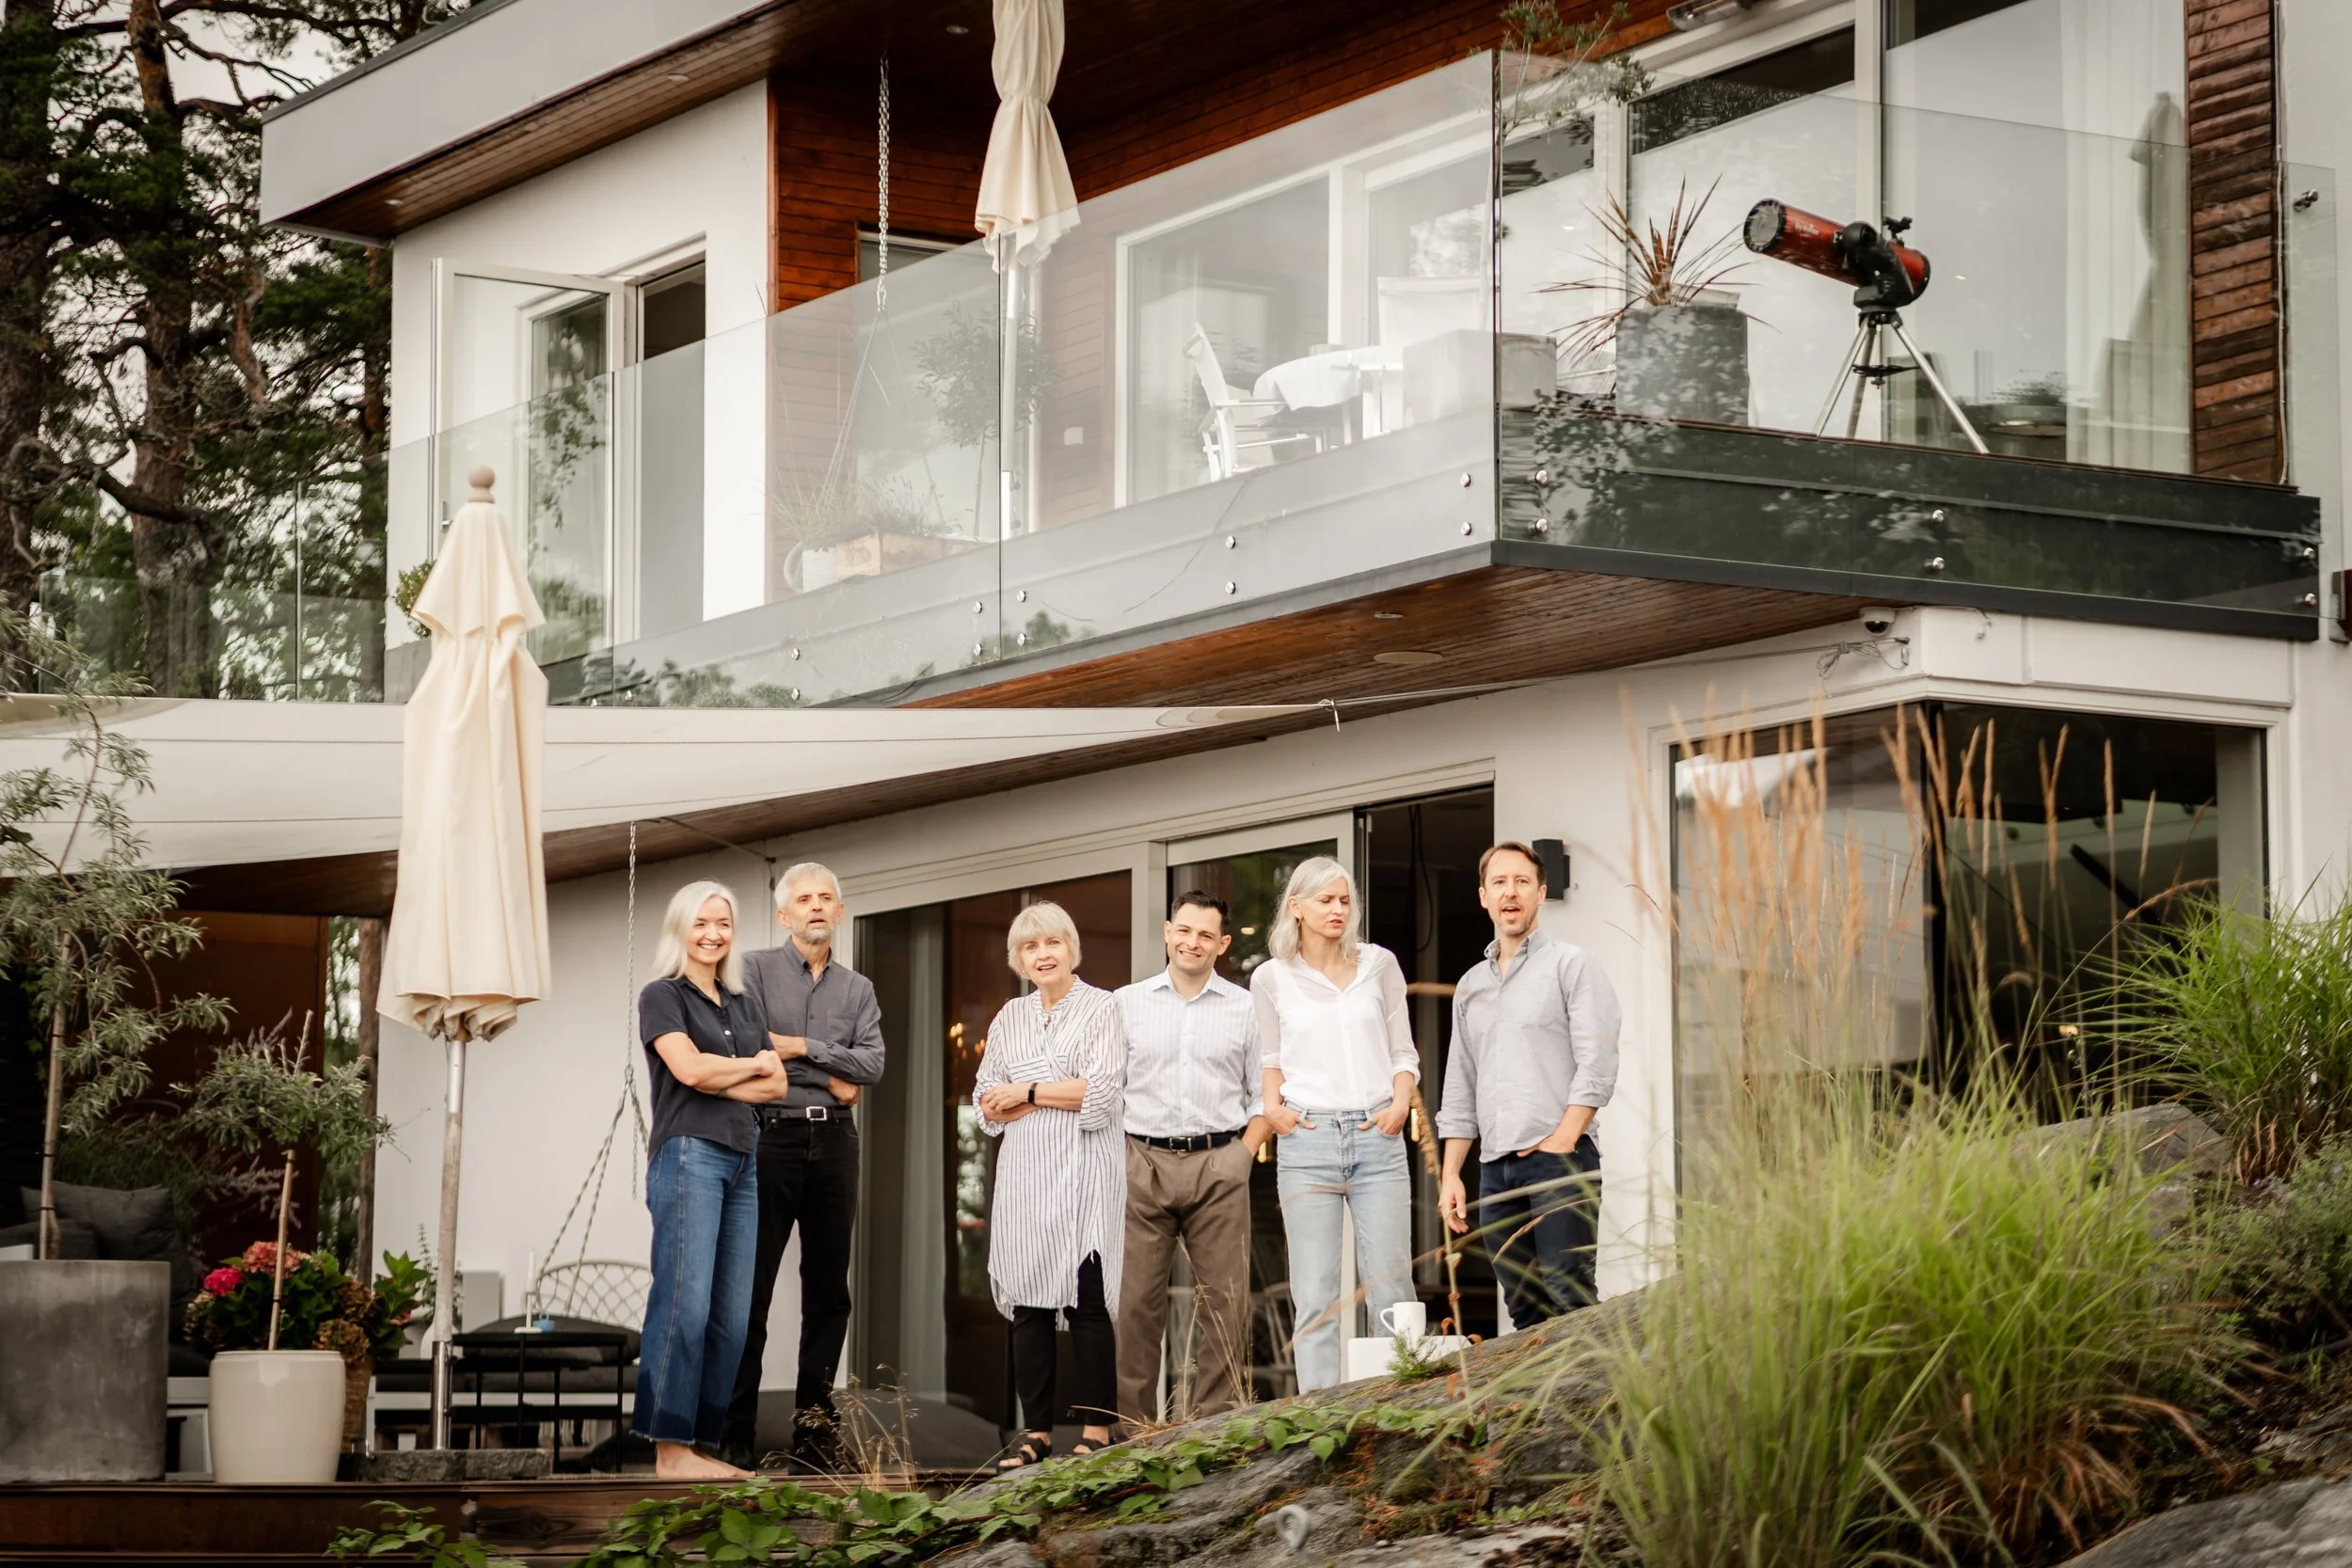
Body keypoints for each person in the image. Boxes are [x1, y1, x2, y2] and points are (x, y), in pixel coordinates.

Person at [724, 863, 885, 1471]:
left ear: (839, 913)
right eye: (803, 899)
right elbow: (744, 1050)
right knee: (751, 1289)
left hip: (836, 1144)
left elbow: (871, 1066)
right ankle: (733, 1436)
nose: (816, 906)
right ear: (784, 915)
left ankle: (814, 1439)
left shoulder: (859, 988)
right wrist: (830, 1072)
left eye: (826, 898)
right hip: (769, 1140)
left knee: (827, 1292)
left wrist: (797, 1048)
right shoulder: (753, 971)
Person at [1252, 856, 1421, 1391]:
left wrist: (1398, 1108)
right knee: (1316, 1292)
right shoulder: (1271, 977)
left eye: (1345, 900)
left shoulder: (1379, 965)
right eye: (1325, 900)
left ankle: (1404, 1406)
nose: (1338, 910)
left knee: (1392, 1285)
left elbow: (1403, 1052)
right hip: (1308, 1142)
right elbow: (1270, 1057)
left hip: (1379, 1138)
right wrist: (1275, 1112)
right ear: (1296, 908)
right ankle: (1317, 1420)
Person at [1437, 842, 1622, 1325]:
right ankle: (1538, 1406)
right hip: (1496, 1170)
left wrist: (1563, 1138)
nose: (1510, 893)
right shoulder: (1470, 986)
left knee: (1570, 1295)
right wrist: (1453, 1173)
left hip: (1560, 1160)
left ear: (1540, 893)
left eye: (1521, 882)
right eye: (1499, 883)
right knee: (1522, 1309)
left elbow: (1597, 1061)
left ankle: (1594, 1403)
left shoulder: (1571, 965)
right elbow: (1460, 1084)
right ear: (1483, 897)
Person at [634, 879, 783, 1481]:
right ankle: (669, 1449)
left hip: (744, 1157)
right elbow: (690, 1070)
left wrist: (727, 1073)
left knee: (732, 1314)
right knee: (684, 1303)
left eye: (723, 923)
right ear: (681, 929)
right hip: (689, 1153)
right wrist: (746, 1065)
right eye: (701, 923)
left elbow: (776, 1087)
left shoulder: (742, 1003)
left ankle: (700, 1447)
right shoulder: (661, 996)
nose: (713, 934)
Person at [973, 901, 1128, 1467]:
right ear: (1019, 958)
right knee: (1028, 1305)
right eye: (1030, 947)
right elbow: (987, 1099)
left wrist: (1029, 1093)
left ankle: (1098, 1430)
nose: (1042, 954)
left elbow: (1102, 1092)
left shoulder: (1103, 1008)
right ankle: (1035, 1433)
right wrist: (1038, 1093)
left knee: (1087, 1300)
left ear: (1071, 949)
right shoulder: (1008, 1016)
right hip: (1023, 1176)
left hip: (1085, 1171)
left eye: (1052, 943)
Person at [1112, 891, 1269, 1428]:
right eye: (1184, 930)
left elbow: (1265, 1093)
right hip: (1142, 1162)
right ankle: (1133, 1432)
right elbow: (1109, 1088)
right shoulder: (1126, 1003)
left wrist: (1242, 1155)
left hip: (1218, 1163)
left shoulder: (1247, 1008)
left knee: (1226, 1305)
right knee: (1134, 1306)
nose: (1192, 942)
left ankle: (1213, 1427)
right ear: (1166, 932)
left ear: (1222, 944)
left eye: (1205, 934)